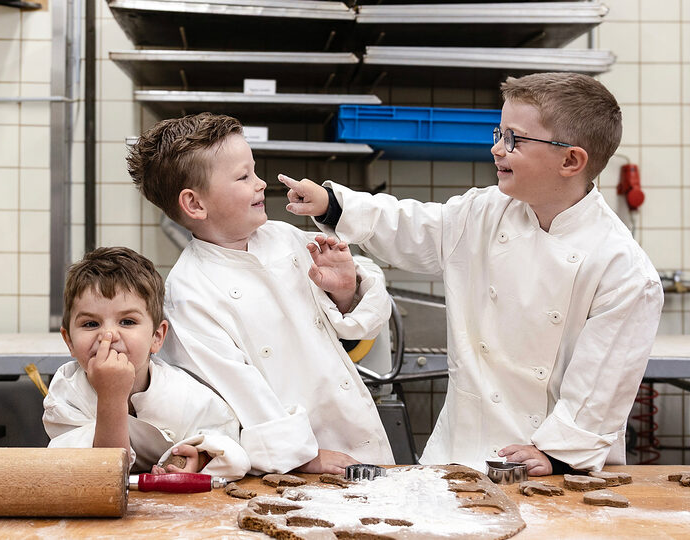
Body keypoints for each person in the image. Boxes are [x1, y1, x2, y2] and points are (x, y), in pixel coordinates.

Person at [281, 72, 664, 474]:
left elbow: (601, 389)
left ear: (570, 160)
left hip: (546, 464)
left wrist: (557, 452)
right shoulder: (486, 210)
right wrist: (333, 205)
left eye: (514, 139)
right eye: (498, 132)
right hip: (455, 454)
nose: (497, 149)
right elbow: (415, 227)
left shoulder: (623, 270)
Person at [127, 113, 395, 475]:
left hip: (358, 436)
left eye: (254, 171)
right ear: (195, 205)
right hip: (289, 469)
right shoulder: (189, 293)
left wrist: (347, 290)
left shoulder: (283, 238)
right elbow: (236, 395)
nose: (260, 183)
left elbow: (356, 322)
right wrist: (304, 457)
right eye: (244, 176)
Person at [43, 246, 249, 479]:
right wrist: (111, 397)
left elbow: (232, 448)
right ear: (69, 340)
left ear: (157, 337)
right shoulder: (67, 395)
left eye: (127, 321)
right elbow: (100, 474)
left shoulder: (185, 394)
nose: (108, 335)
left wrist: (199, 458)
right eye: (91, 324)